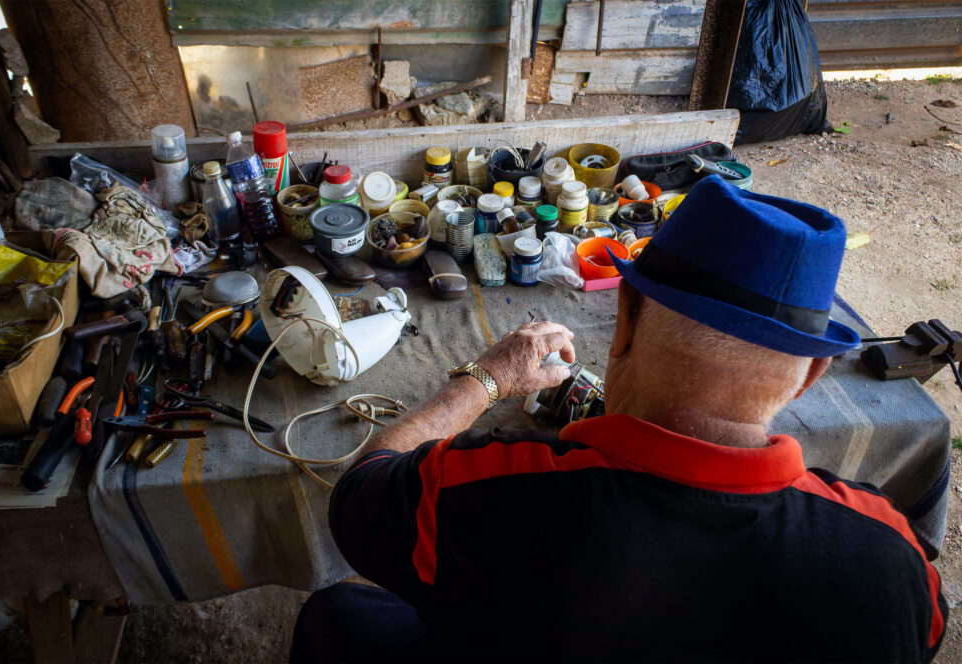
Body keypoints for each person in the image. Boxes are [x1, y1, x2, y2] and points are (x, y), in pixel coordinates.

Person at [290, 176, 947, 662]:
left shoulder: (491, 493)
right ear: (810, 374)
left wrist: (489, 376)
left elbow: (362, 491)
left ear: (624, 316)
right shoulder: (894, 560)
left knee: (338, 612)